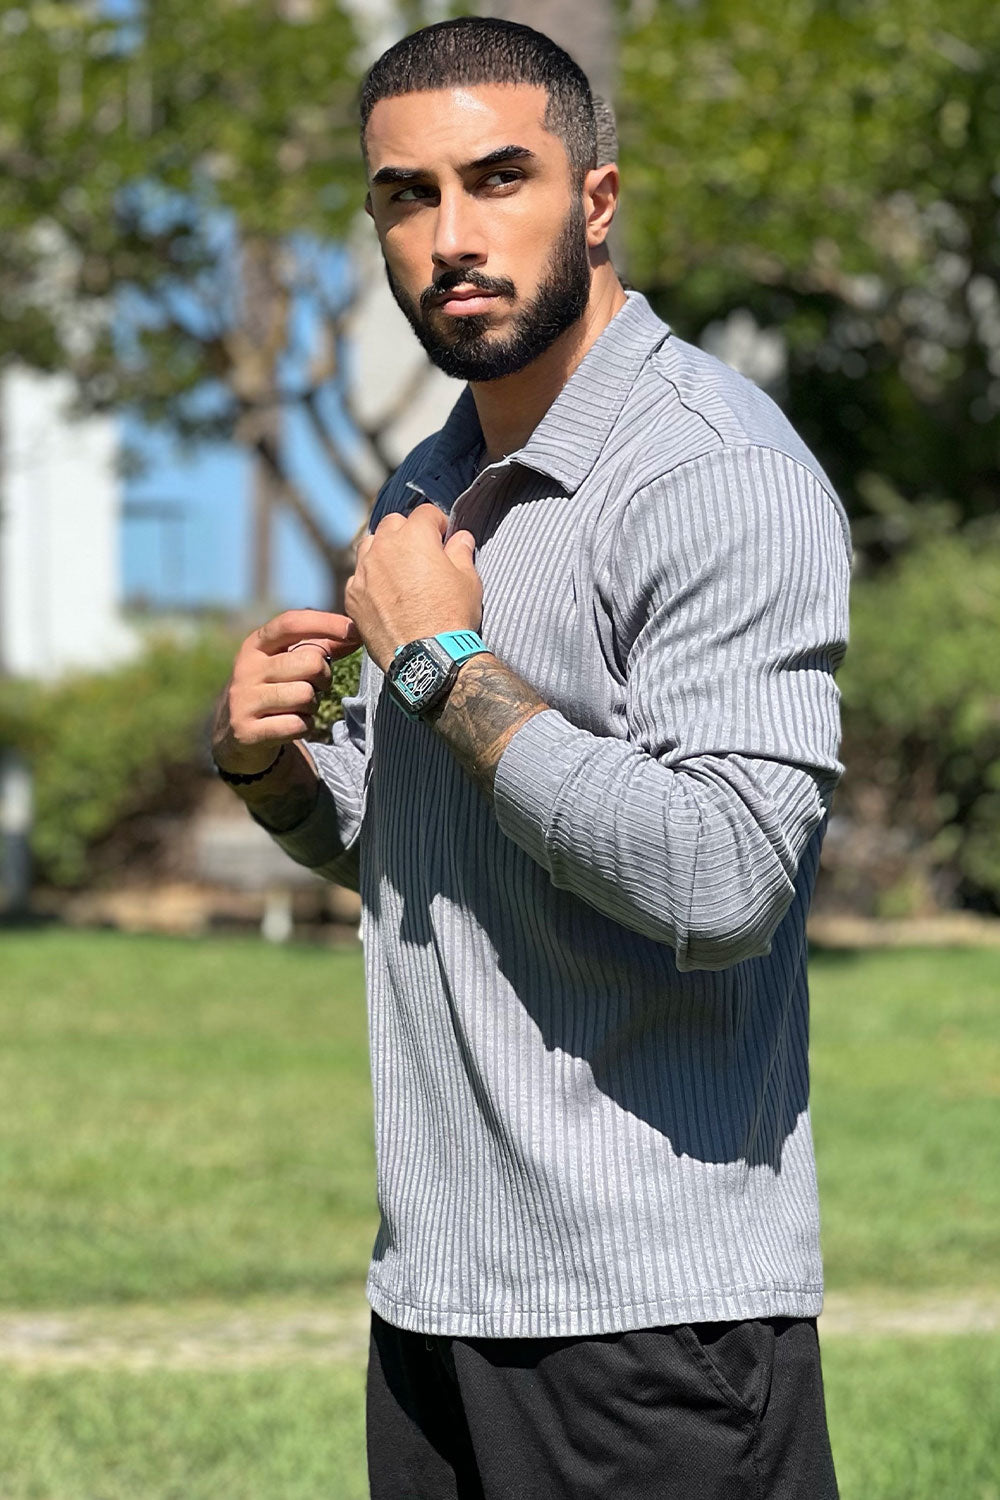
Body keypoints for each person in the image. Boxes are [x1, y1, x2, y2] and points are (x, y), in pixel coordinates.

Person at [212, 16, 848, 1497]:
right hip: (439, 1298)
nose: (451, 236)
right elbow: (414, 845)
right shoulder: (433, 480)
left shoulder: (716, 474)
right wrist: (273, 772)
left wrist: (443, 666)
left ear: (597, 200)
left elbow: (728, 879)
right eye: (407, 195)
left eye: (499, 179)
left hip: (653, 1325)